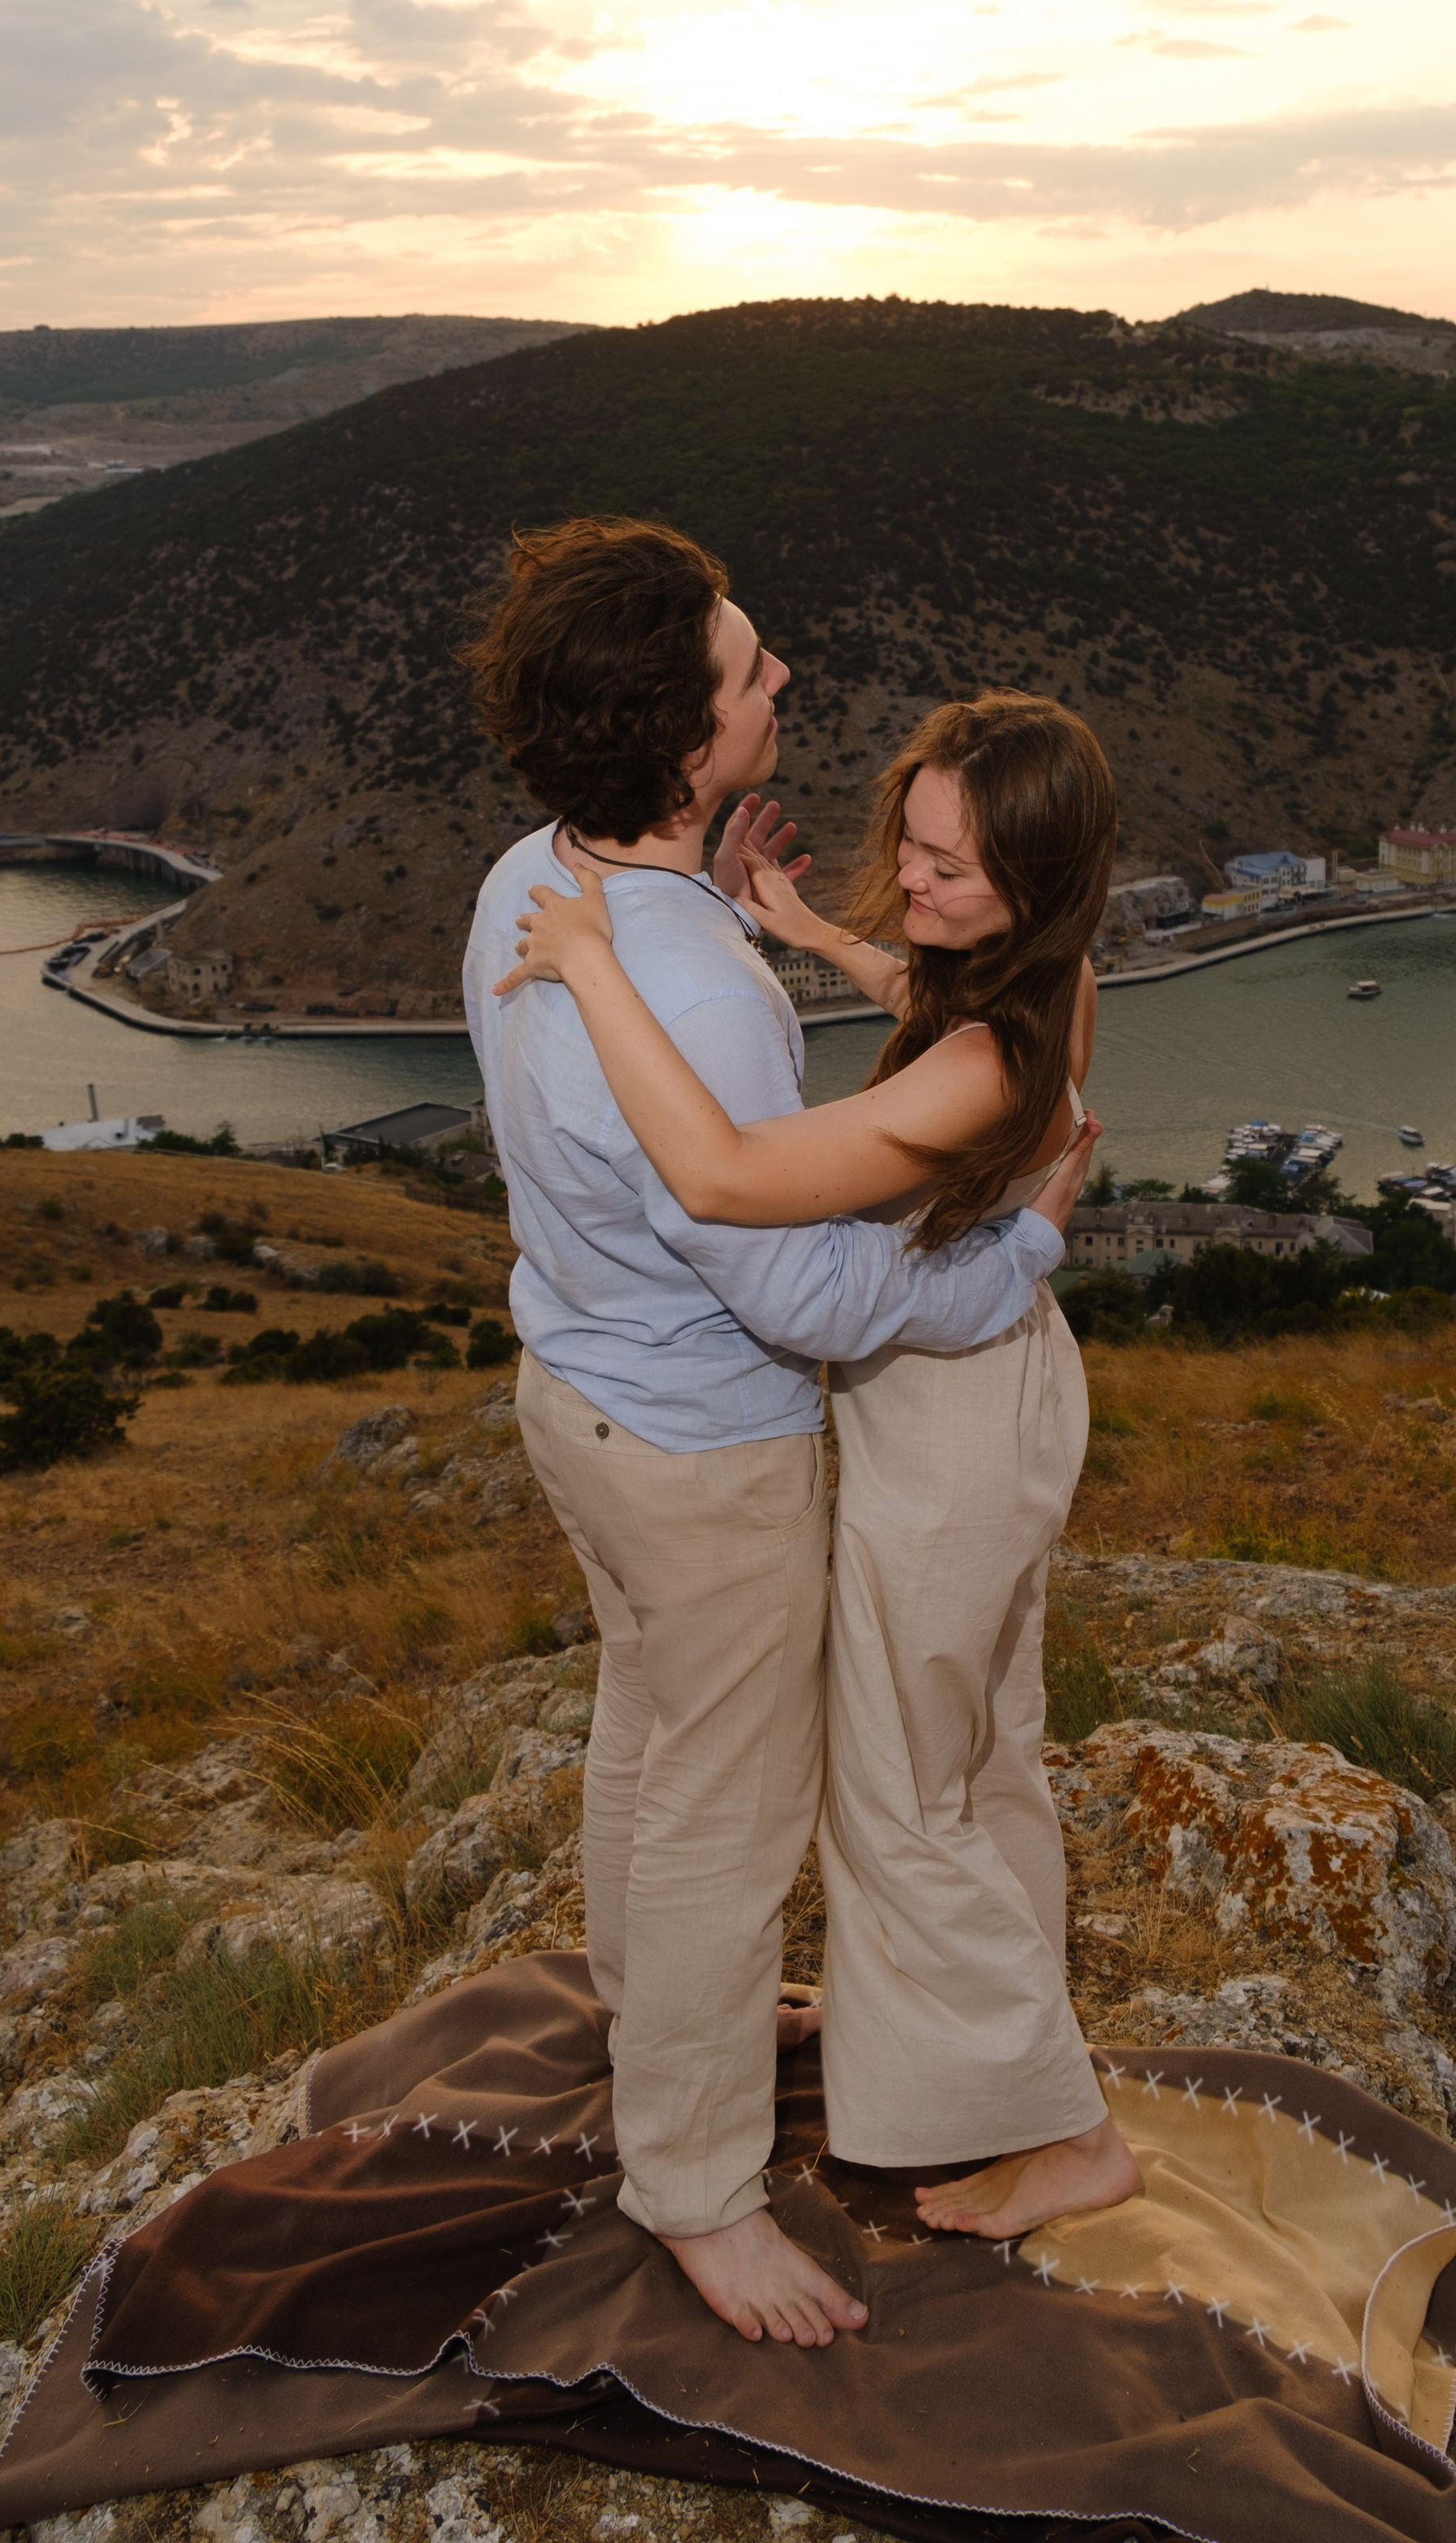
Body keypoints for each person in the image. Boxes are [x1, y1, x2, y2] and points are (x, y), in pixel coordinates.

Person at [462, 521, 1093, 2354]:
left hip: (577, 1392)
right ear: (685, 747)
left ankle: (654, 2007)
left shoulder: (530, 876)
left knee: (647, 1727)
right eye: (747, 671)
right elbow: (798, 1289)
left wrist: (769, 927)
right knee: (726, 1822)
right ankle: (694, 2184)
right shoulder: (689, 991)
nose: (782, 677)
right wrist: (1016, 1257)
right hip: (705, 1453)